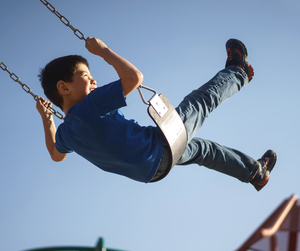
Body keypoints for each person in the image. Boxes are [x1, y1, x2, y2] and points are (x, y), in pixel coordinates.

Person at [36, 37, 276, 191]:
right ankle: (239, 72)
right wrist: (103, 51)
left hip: (151, 171)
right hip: (158, 147)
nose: (93, 79)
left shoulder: (66, 132)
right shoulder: (90, 106)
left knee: (204, 151)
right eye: (85, 76)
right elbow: (133, 78)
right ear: (63, 87)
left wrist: (47, 120)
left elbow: (56, 154)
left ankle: (255, 172)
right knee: (199, 102)